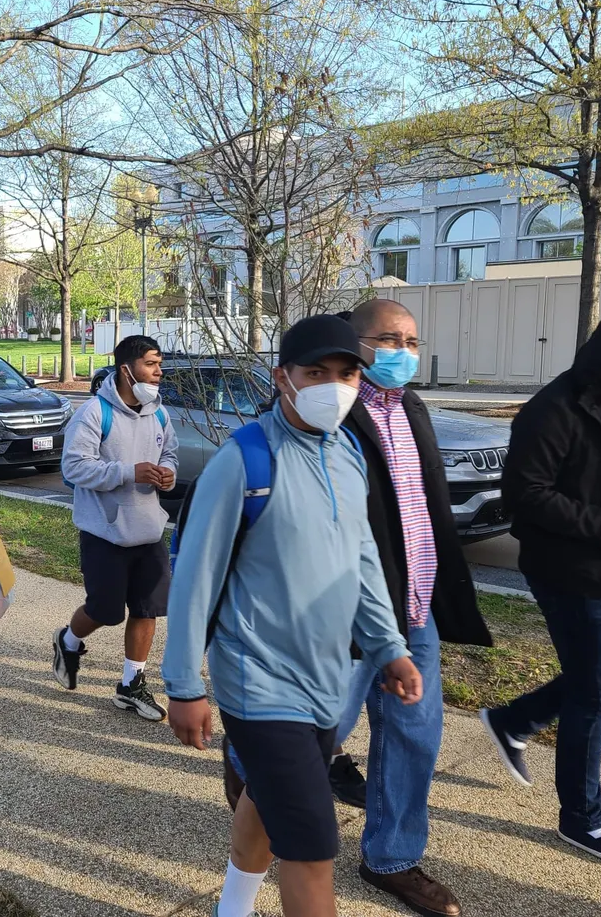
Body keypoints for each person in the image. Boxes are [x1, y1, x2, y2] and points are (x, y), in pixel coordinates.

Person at [163, 314, 421, 917]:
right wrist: (182, 685)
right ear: (283, 378)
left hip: (326, 681)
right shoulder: (244, 460)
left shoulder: (349, 452)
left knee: (264, 798)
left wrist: (388, 647)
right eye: (316, 373)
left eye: (346, 374)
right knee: (312, 846)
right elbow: (195, 577)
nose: (334, 386)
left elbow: (362, 559)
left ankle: (231, 908)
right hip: (259, 683)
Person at [479, 306, 601, 871]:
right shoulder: (551, 411)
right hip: (570, 574)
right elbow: (527, 498)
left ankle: (513, 720)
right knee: (596, 695)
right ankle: (583, 819)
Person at [317, 299, 492, 917]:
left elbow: (425, 507)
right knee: (322, 730)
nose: (403, 353)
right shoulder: (330, 409)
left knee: (414, 737)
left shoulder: (411, 407)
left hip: (416, 606)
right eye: (390, 340)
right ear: (355, 343)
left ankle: (391, 857)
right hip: (347, 612)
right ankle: (249, 765)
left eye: (413, 342)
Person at [51, 334, 178, 721]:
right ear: (126, 369)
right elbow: (74, 467)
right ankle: (68, 640)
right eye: (150, 364)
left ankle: (130, 685)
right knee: (104, 611)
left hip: (148, 531)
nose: (158, 372)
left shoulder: (159, 413)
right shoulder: (94, 413)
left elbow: (169, 453)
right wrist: (128, 472)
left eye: (159, 365)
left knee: (147, 609)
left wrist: (168, 472)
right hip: (104, 532)